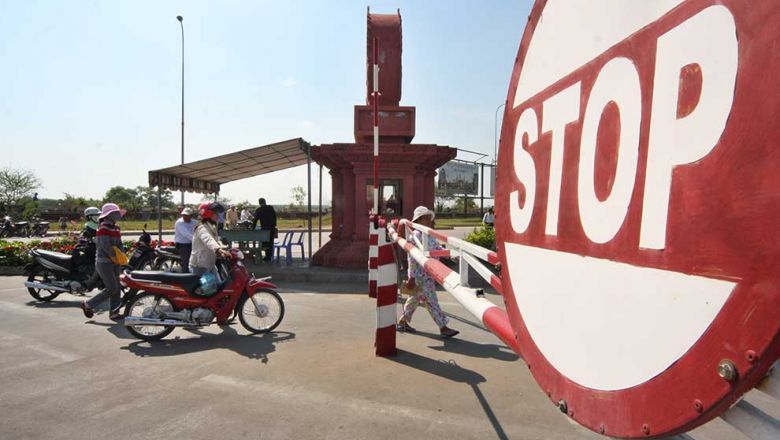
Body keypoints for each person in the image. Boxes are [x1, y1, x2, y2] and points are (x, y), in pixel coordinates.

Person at [397, 206, 459, 338]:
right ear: (419, 220)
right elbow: (412, 257)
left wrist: (452, 255)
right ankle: (443, 327)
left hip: (428, 273)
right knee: (432, 301)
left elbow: (438, 249)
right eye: (426, 218)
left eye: (429, 218)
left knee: (414, 299)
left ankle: (402, 322)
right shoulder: (416, 235)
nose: (430, 221)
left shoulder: (429, 235)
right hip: (420, 275)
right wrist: (412, 277)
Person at [80, 203, 125, 321]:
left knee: (117, 288)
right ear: (108, 215)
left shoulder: (116, 227)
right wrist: (114, 256)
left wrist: (122, 255)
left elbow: (120, 243)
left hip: (115, 261)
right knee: (111, 288)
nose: (118, 215)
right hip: (104, 262)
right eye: (115, 213)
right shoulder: (103, 227)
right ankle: (88, 304)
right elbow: (105, 245)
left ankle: (114, 313)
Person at [190, 202, 229, 277]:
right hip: (199, 266)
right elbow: (208, 239)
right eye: (216, 213)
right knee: (210, 288)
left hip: (209, 264)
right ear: (208, 213)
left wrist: (222, 248)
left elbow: (214, 241)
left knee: (219, 285)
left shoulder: (212, 227)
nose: (218, 216)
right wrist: (218, 249)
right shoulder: (202, 228)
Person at [174, 207, 196, 273]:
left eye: (187, 215)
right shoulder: (179, 223)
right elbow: (186, 234)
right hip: (182, 245)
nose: (185, 216)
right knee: (187, 262)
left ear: (191, 216)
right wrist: (197, 240)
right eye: (184, 215)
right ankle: (185, 278)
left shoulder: (195, 222)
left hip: (192, 244)